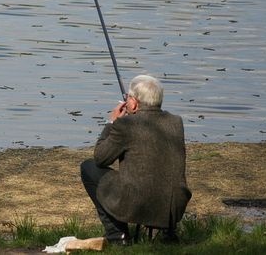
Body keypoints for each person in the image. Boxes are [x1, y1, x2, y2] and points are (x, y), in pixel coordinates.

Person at [80, 74, 191, 245]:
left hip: (139, 204)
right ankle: (167, 233)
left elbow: (101, 158)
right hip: (173, 206)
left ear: (133, 103)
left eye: (128, 97)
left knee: (89, 168)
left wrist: (111, 123)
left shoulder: (126, 125)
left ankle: (118, 235)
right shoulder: (176, 122)